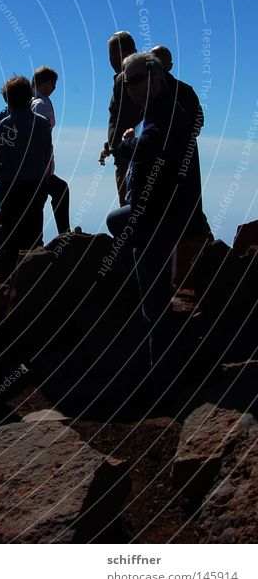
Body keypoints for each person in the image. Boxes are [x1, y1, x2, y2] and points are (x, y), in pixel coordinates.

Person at [105, 52, 194, 387]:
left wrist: (127, 144)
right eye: (126, 83)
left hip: (155, 216)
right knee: (116, 222)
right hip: (152, 211)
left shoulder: (166, 110)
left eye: (137, 80)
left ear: (156, 77)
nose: (130, 88)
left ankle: (163, 384)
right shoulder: (161, 108)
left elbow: (153, 147)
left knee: (154, 307)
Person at [0, 75, 52, 261]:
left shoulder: (6, 124)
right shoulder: (42, 123)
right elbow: (47, 154)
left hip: (11, 187)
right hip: (37, 185)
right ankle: (34, 276)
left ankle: (13, 281)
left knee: (12, 236)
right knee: (34, 234)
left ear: (8, 99)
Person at [150, 45, 211, 238]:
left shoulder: (177, 91)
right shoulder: (180, 90)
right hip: (183, 154)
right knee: (185, 201)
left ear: (170, 65)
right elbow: (199, 120)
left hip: (173, 155)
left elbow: (198, 119)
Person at [100, 31, 143, 205]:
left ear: (116, 54)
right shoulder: (143, 75)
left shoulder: (124, 79)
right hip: (134, 150)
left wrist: (115, 146)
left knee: (128, 204)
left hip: (127, 155)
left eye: (110, 54)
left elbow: (122, 118)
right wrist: (108, 146)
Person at [31, 66, 70, 234]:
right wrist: (47, 164)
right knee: (60, 190)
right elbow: (42, 136)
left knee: (37, 201)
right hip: (37, 166)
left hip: (28, 166)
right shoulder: (40, 104)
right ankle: (64, 234)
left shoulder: (29, 100)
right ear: (47, 83)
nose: (54, 88)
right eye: (53, 83)